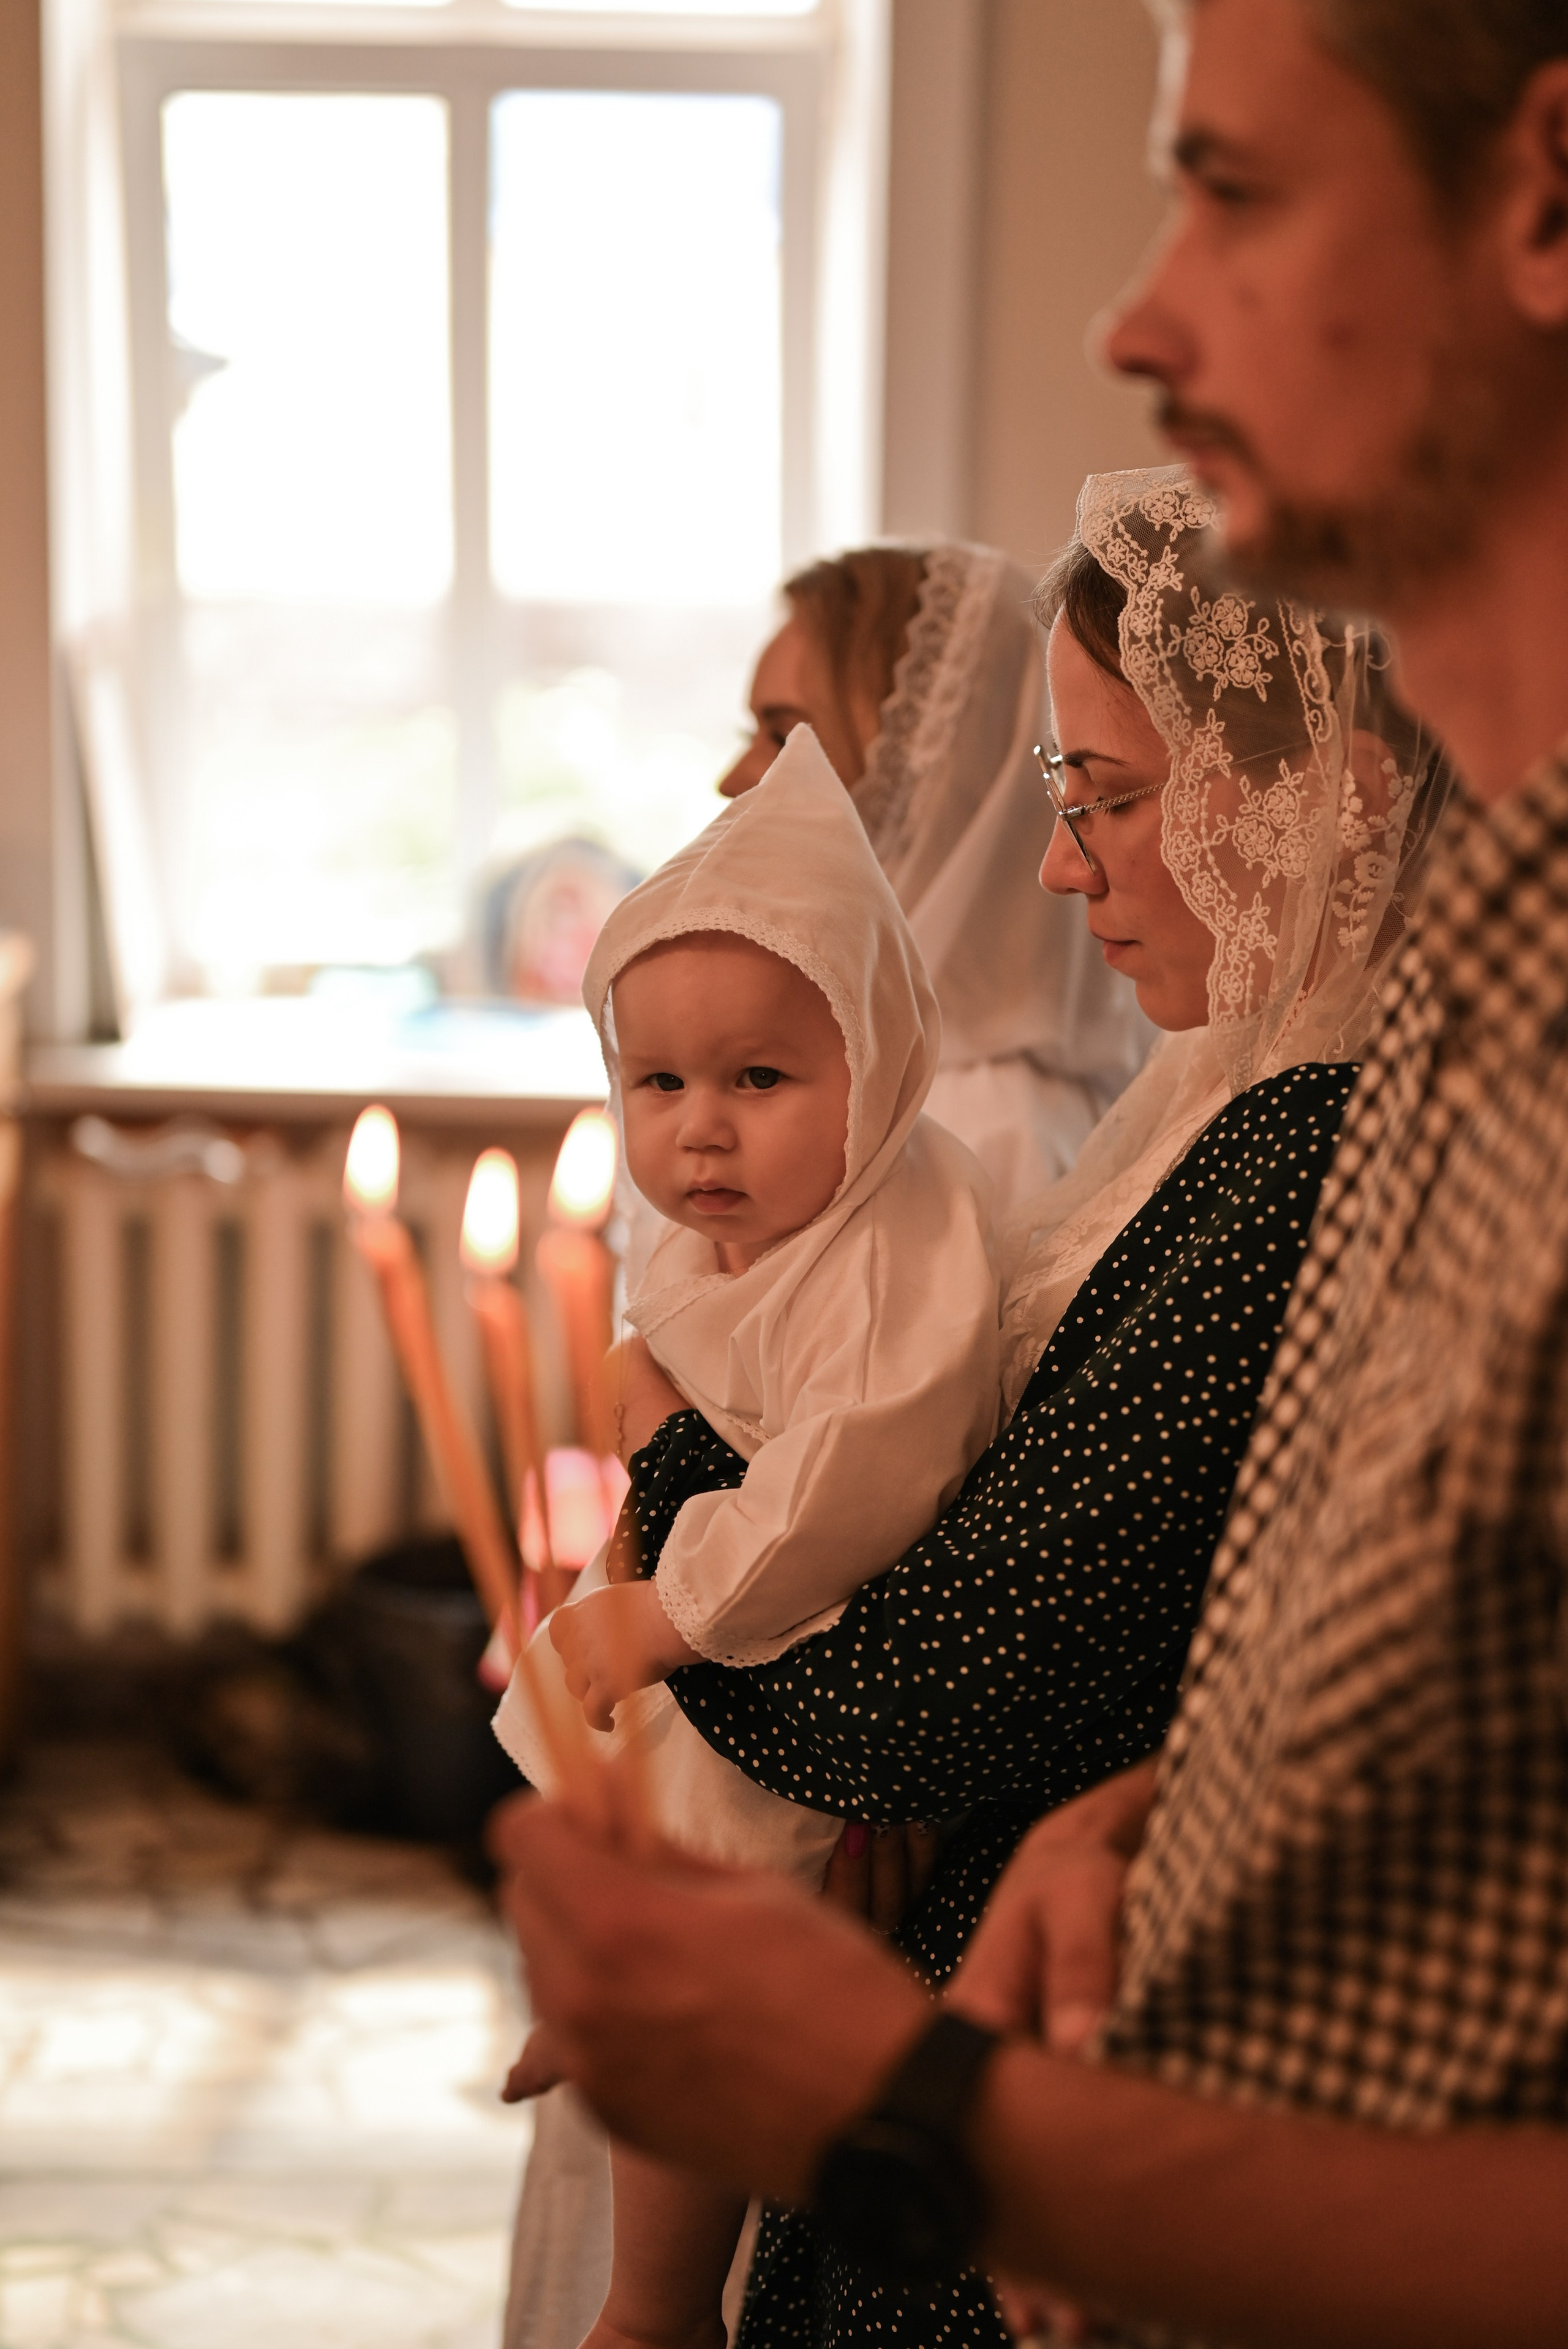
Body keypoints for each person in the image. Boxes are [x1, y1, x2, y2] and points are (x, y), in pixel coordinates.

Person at [494, 5, 1568, 2345]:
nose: (1131, 315)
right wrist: (1156, 1798)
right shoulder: (1468, 945)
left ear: (1540, 200)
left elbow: (961, 1653)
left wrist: (903, 2104)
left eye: (1234, 191)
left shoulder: (1357, 1073)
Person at [494, 720, 1002, 2349]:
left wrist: (668, 1614)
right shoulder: (756, 1217)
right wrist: (650, 1371)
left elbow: (847, 1481)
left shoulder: (901, 1233)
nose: (698, 1131)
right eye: (658, 1083)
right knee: (597, 1830)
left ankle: (654, 2306)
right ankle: (590, 2002)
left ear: (883, 1054)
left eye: (759, 1078)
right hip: (696, 1641)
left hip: (790, 1655)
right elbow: (699, 1344)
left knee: (706, 1911)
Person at [720, 544, 1150, 1207]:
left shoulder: (986, 1126)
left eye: (783, 738)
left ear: (927, 782)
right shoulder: (855, 1069)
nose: (732, 781)